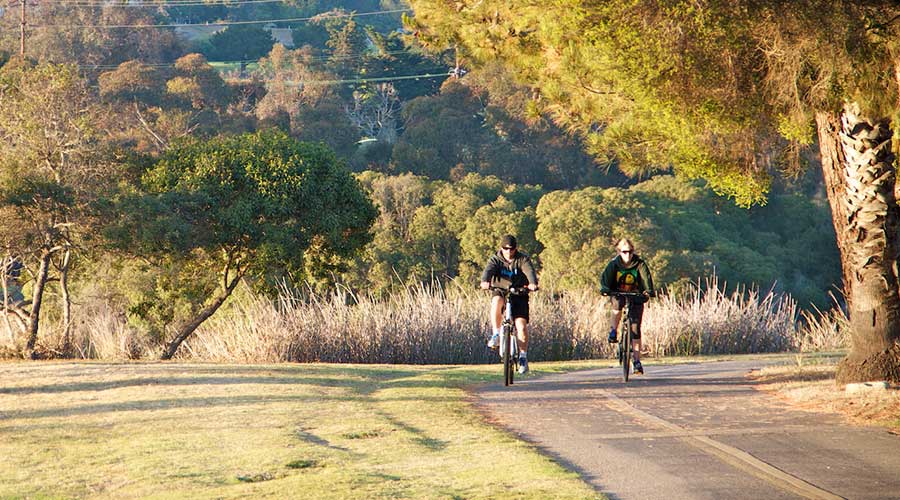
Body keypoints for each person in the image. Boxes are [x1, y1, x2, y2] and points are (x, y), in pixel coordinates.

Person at [480, 234, 539, 374]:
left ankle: (523, 357)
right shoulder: (496, 259)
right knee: (496, 302)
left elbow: (529, 270)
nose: (508, 251)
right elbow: (488, 271)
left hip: (519, 294)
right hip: (501, 290)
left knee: (521, 327)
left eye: (511, 249)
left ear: (515, 249)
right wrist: (485, 281)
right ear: (501, 248)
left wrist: (532, 283)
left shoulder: (522, 259)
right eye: (505, 248)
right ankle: (496, 334)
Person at [600, 238, 655, 375]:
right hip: (618, 293)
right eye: (624, 252)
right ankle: (613, 330)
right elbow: (605, 279)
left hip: (636, 295)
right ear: (619, 252)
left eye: (630, 252)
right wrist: (605, 289)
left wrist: (648, 291)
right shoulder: (614, 264)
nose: (628, 255)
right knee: (617, 304)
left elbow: (646, 279)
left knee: (635, 329)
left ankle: (636, 361)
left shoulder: (640, 264)